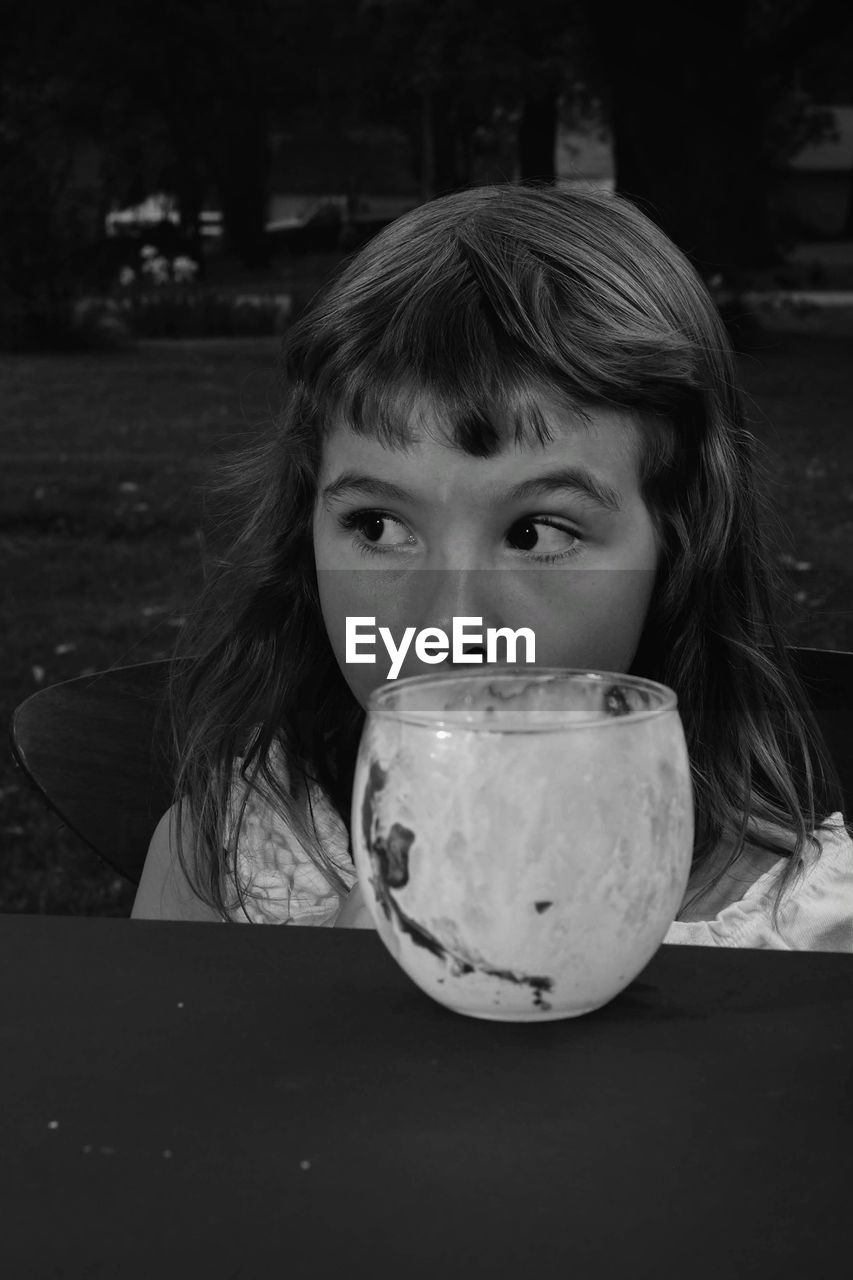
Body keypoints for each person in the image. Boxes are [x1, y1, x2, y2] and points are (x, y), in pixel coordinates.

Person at [132, 183, 853, 949]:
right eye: (377, 526)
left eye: (537, 532)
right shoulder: (218, 861)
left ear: (680, 545)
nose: (451, 622)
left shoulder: (807, 939)